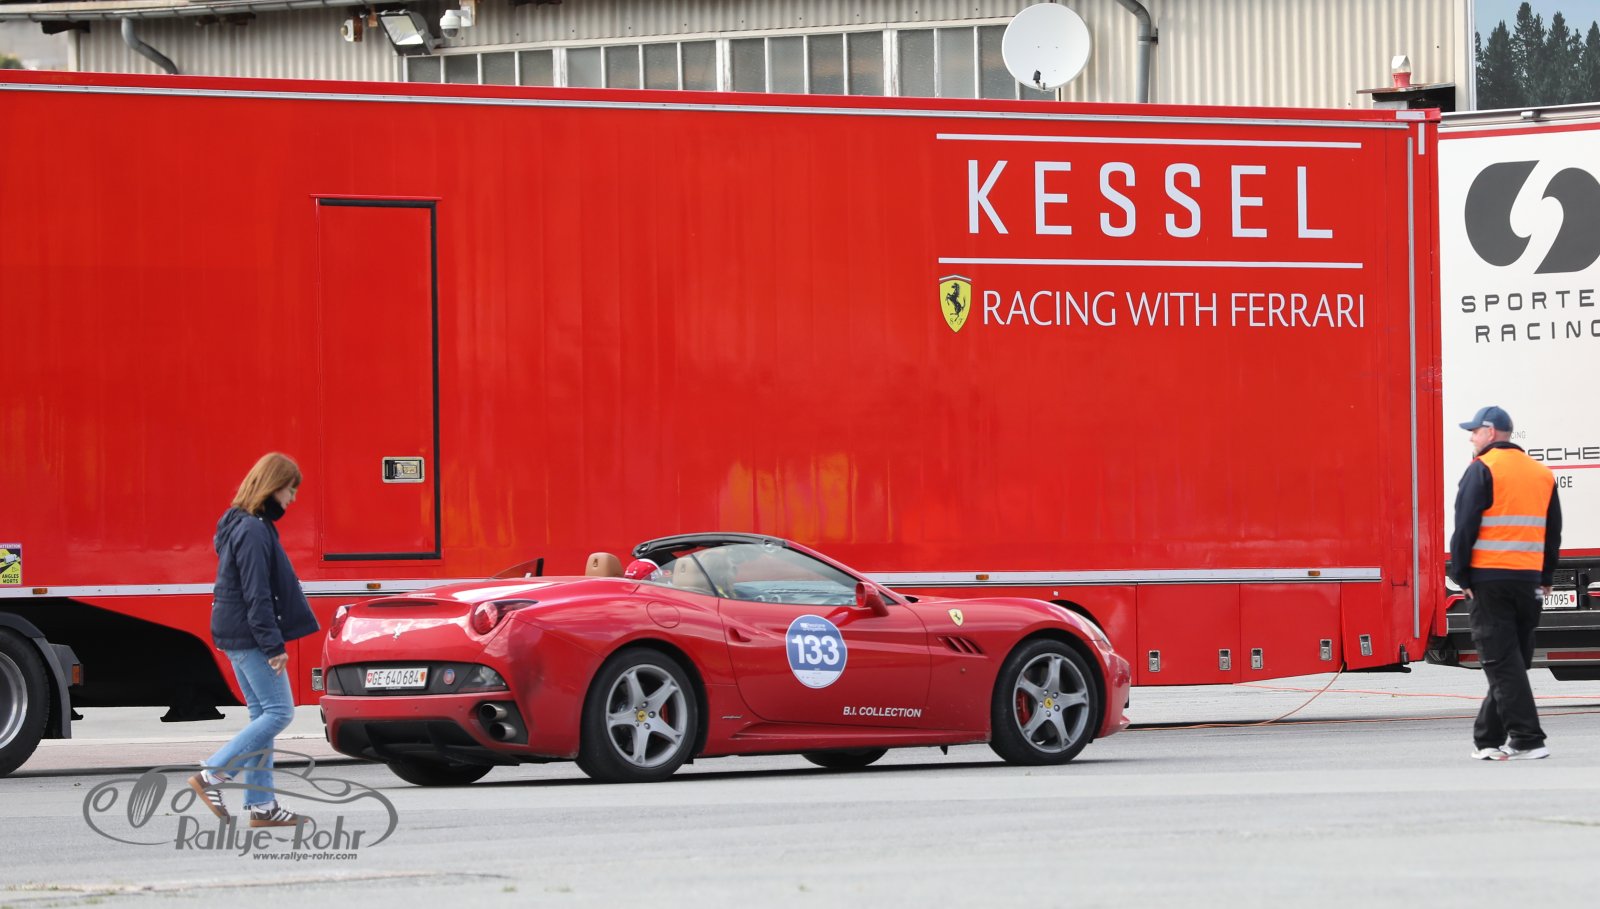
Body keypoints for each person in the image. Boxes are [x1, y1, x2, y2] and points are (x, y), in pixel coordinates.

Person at [188, 453, 319, 825]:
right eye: (290, 489)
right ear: (274, 487)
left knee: (262, 715)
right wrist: (273, 645)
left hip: (235, 632)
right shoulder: (253, 530)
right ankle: (212, 774)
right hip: (250, 636)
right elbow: (257, 593)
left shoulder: (239, 523)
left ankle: (262, 807)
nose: (292, 498)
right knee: (280, 712)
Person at [1448, 406, 1562, 761]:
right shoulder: (1541, 473)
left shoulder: (1483, 468)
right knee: (1512, 661)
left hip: (1489, 579)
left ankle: (1527, 739)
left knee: (1501, 661)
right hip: (1527, 582)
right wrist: (1545, 576)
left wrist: (1461, 575)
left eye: (1475, 431)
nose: (1471, 438)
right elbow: (1553, 533)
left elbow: (1464, 527)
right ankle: (1487, 739)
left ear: (1491, 432)